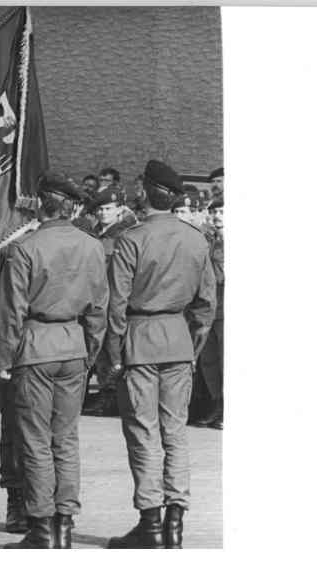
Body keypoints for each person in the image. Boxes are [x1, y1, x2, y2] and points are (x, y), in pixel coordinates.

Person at [0, 172, 109, 549]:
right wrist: (90, 352)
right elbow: (99, 308)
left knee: (36, 441)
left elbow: (11, 312)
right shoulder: (92, 246)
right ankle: (65, 523)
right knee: (66, 439)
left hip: (36, 345)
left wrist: (3, 360)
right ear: (71, 206)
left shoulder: (26, 248)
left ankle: (41, 527)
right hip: (73, 344)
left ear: (41, 203)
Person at [106, 160, 217, 549]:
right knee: (176, 432)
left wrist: (114, 354)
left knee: (143, 431)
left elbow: (116, 305)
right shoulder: (196, 239)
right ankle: (175, 521)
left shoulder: (132, 239)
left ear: (147, 192)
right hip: (178, 339)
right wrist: (193, 345)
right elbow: (206, 306)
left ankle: (151, 521)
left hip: (140, 337)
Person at [83, 186, 137, 417]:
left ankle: (109, 395)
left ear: (120, 210)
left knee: (111, 346)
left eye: (108, 208)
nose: (103, 213)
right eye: (100, 209)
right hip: (92, 298)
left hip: (114, 297)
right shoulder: (93, 233)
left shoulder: (124, 235)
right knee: (93, 344)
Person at [193, 197, 224, 430]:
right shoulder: (211, 241)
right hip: (211, 311)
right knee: (209, 361)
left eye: (222, 213)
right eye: (214, 213)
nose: (217, 217)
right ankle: (215, 404)